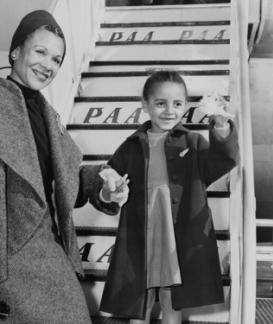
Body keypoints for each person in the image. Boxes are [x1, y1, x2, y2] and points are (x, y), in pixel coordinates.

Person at [0, 10, 127, 324]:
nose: (48, 65)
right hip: (4, 258)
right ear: (16, 51)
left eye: (57, 59)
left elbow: (65, 181)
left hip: (50, 251)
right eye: (40, 52)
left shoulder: (48, 115)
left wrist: (101, 183)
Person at [99, 71, 240, 324]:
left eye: (177, 104)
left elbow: (223, 161)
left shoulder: (193, 141)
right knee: (138, 299)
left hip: (177, 234)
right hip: (141, 232)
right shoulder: (131, 145)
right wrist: (111, 183)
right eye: (160, 103)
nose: (169, 110)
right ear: (145, 105)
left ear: (185, 106)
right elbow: (109, 177)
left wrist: (220, 126)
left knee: (171, 298)